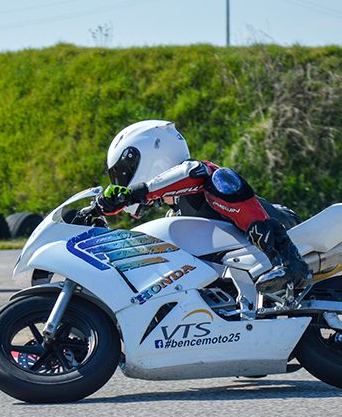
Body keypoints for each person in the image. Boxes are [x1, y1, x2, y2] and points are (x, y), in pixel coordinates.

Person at [93, 120, 313, 293]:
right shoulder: (175, 217)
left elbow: (194, 172)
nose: (122, 182)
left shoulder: (196, 174)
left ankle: (288, 260)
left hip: (290, 228)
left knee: (220, 181)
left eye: (122, 174)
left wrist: (134, 194)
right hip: (242, 268)